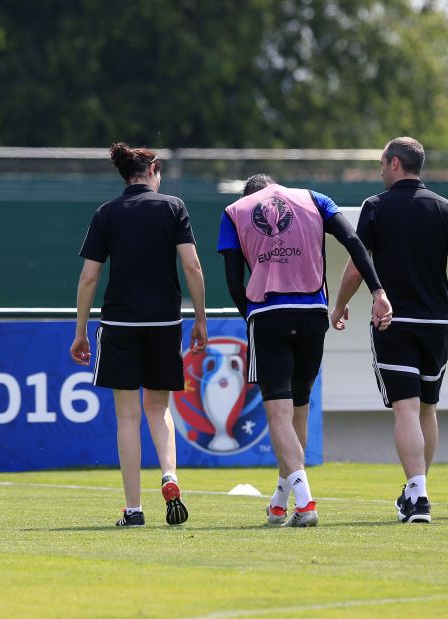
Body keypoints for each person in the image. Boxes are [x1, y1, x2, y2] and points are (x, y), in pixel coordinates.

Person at [219, 173, 392, 527]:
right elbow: (354, 242)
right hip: (314, 315)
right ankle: (281, 501)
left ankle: (305, 501)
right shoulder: (316, 199)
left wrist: (250, 315)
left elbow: (234, 281)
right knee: (298, 409)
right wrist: (377, 291)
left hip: (269, 315)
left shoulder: (235, 211)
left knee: (278, 415)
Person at [331, 136, 448, 524]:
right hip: (436, 324)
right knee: (427, 408)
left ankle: (417, 495)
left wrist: (340, 303)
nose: (380, 170)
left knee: (406, 408)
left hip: (393, 321)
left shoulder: (375, 206)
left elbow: (356, 264)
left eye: (382, 163)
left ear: (396, 163)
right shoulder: (445, 208)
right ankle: (417, 490)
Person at [70, 142, 208, 528]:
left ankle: (133, 510)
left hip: (120, 325)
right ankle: (170, 474)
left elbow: (89, 277)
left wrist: (80, 331)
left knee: (127, 417)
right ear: (153, 171)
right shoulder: (173, 207)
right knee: (158, 409)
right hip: (165, 324)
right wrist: (200, 318)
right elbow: (192, 267)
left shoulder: (107, 213)